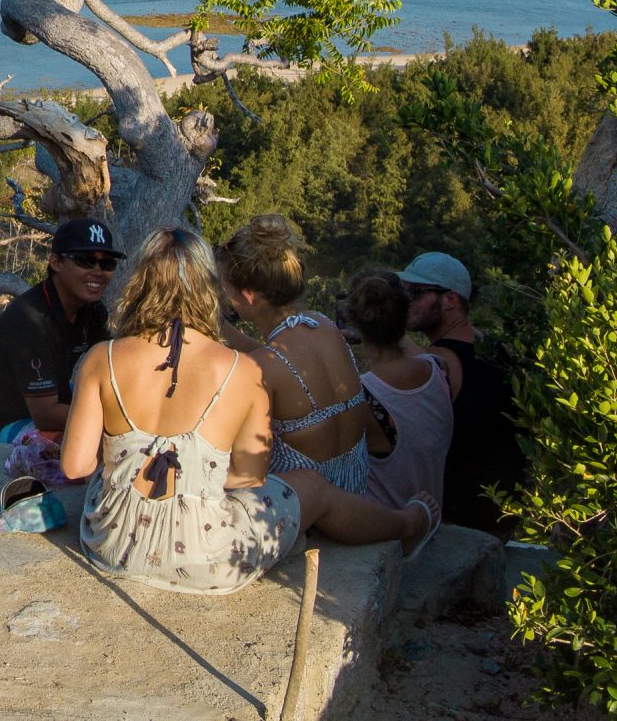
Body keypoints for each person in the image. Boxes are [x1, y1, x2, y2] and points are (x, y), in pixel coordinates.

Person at [60, 228, 433, 595]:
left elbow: (75, 467)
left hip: (110, 545)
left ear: (139, 281)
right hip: (206, 559)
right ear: (209, 287)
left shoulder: (101, 358)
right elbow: (249, 477)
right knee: (313, 488)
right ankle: (407, 524)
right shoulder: (243, 370)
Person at [218, 216, 374, 494]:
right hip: (356, 491)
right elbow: (283, 364)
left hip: (311, 514)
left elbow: (246, 473)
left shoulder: (261, 368)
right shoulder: (321, 324)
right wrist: (222, 329)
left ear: (249, 295)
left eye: (227, 291)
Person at [401, 251, 525, 536]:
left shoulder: (438, 362)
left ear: (450, 300)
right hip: (501, 516)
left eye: (416, 293)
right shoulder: (498, 349)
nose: (407, 303)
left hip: (456, 522)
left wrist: (386, 334)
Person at [0, 217, 117, 441]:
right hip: (2, 427)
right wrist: (119, 417)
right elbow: (46, 416)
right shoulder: (29, 320)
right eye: (85, 261)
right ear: (55, 262)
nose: (98, 271)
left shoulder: (91, 311)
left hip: (51, 404)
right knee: (92, 443)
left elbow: (112, 370)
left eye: (107, 264)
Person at [344, 267, 455, 520]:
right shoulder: (438, 369)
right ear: (405, 313)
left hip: (389, 529)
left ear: (354, 320)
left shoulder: (363, 395)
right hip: (432, 516)